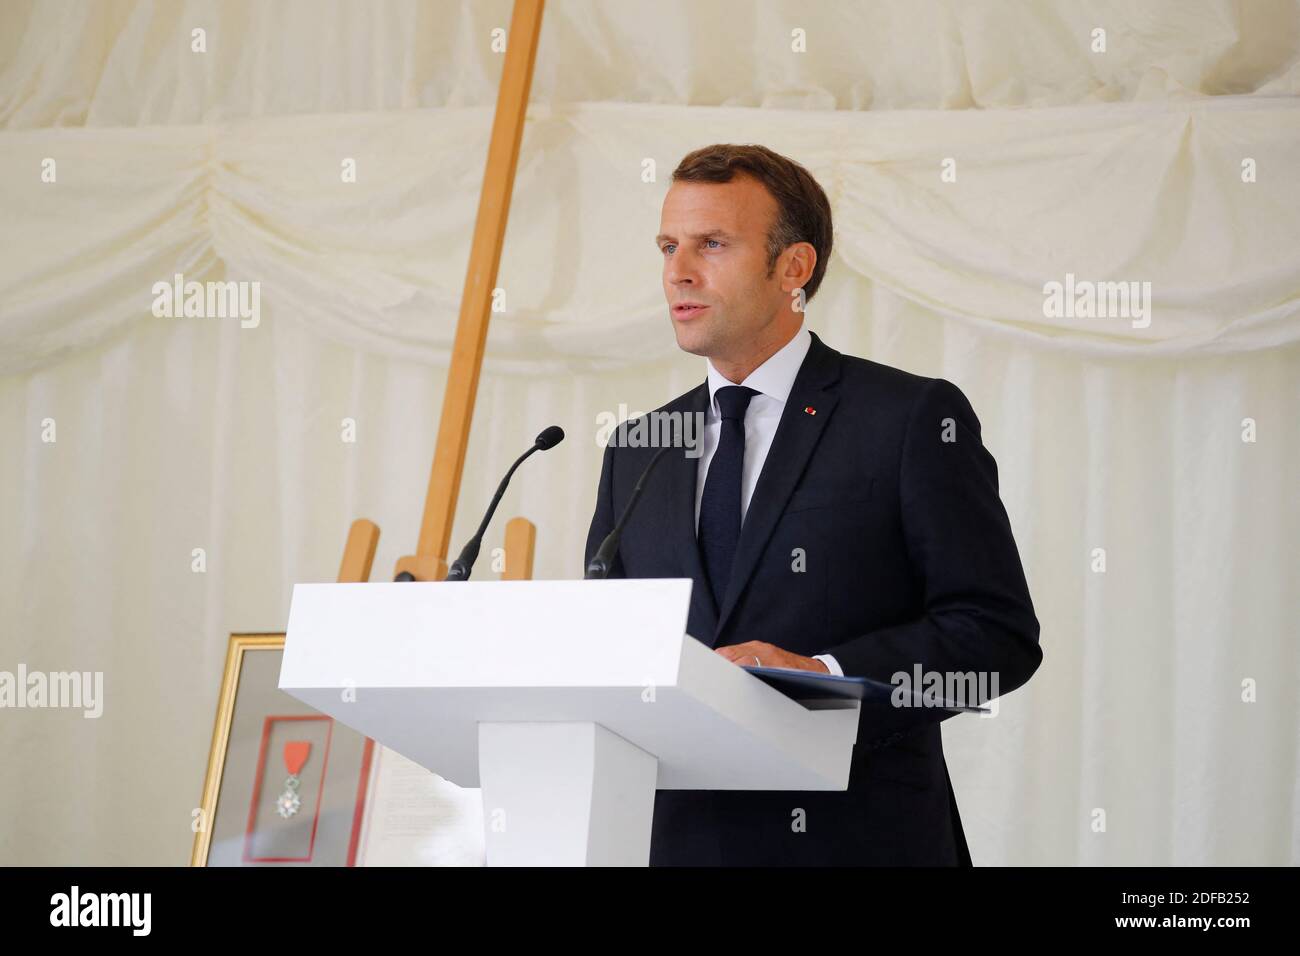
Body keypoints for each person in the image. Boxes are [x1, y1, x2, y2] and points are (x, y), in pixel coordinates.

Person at [585, 144, 1042, 865]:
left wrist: (824, 675)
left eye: (712, 244)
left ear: (793, 268)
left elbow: (994, 638)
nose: (678, 270)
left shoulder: (909, 418)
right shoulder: (638, 448)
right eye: (669, 245)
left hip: (860, 842)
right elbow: (608, 649)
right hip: (674, 847)